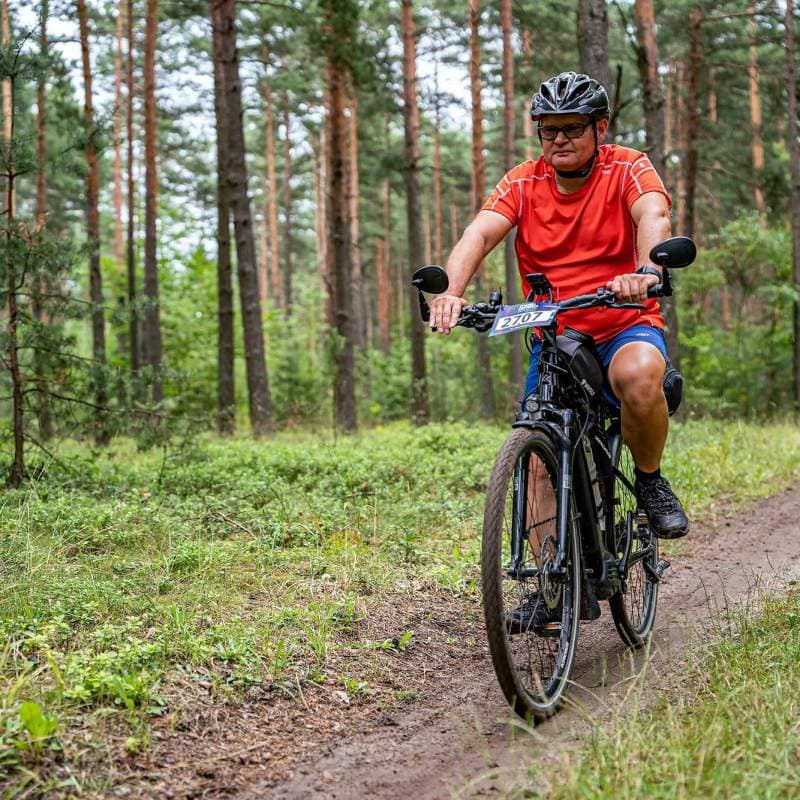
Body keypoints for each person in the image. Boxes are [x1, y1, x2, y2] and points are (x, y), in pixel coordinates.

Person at [429, 71, 689, 551]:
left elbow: (653, 214)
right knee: (535, 455)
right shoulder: (523, 181)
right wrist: (451, 292)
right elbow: (479, 234)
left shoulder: (628, 167)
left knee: (639, 376)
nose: (559, 139)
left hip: (623, 320)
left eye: (572, 127)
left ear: (600, 127)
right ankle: (550, 579)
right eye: (549, 129)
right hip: (555, 335)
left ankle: (650, 480)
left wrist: (646, 272)